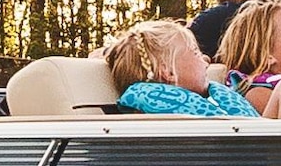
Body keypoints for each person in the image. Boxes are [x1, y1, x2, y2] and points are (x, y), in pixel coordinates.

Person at [99, 19, 259, 116]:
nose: (206, 58)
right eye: (195, 53)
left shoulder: (189, 112)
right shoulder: (168, 125)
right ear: (167, 72)